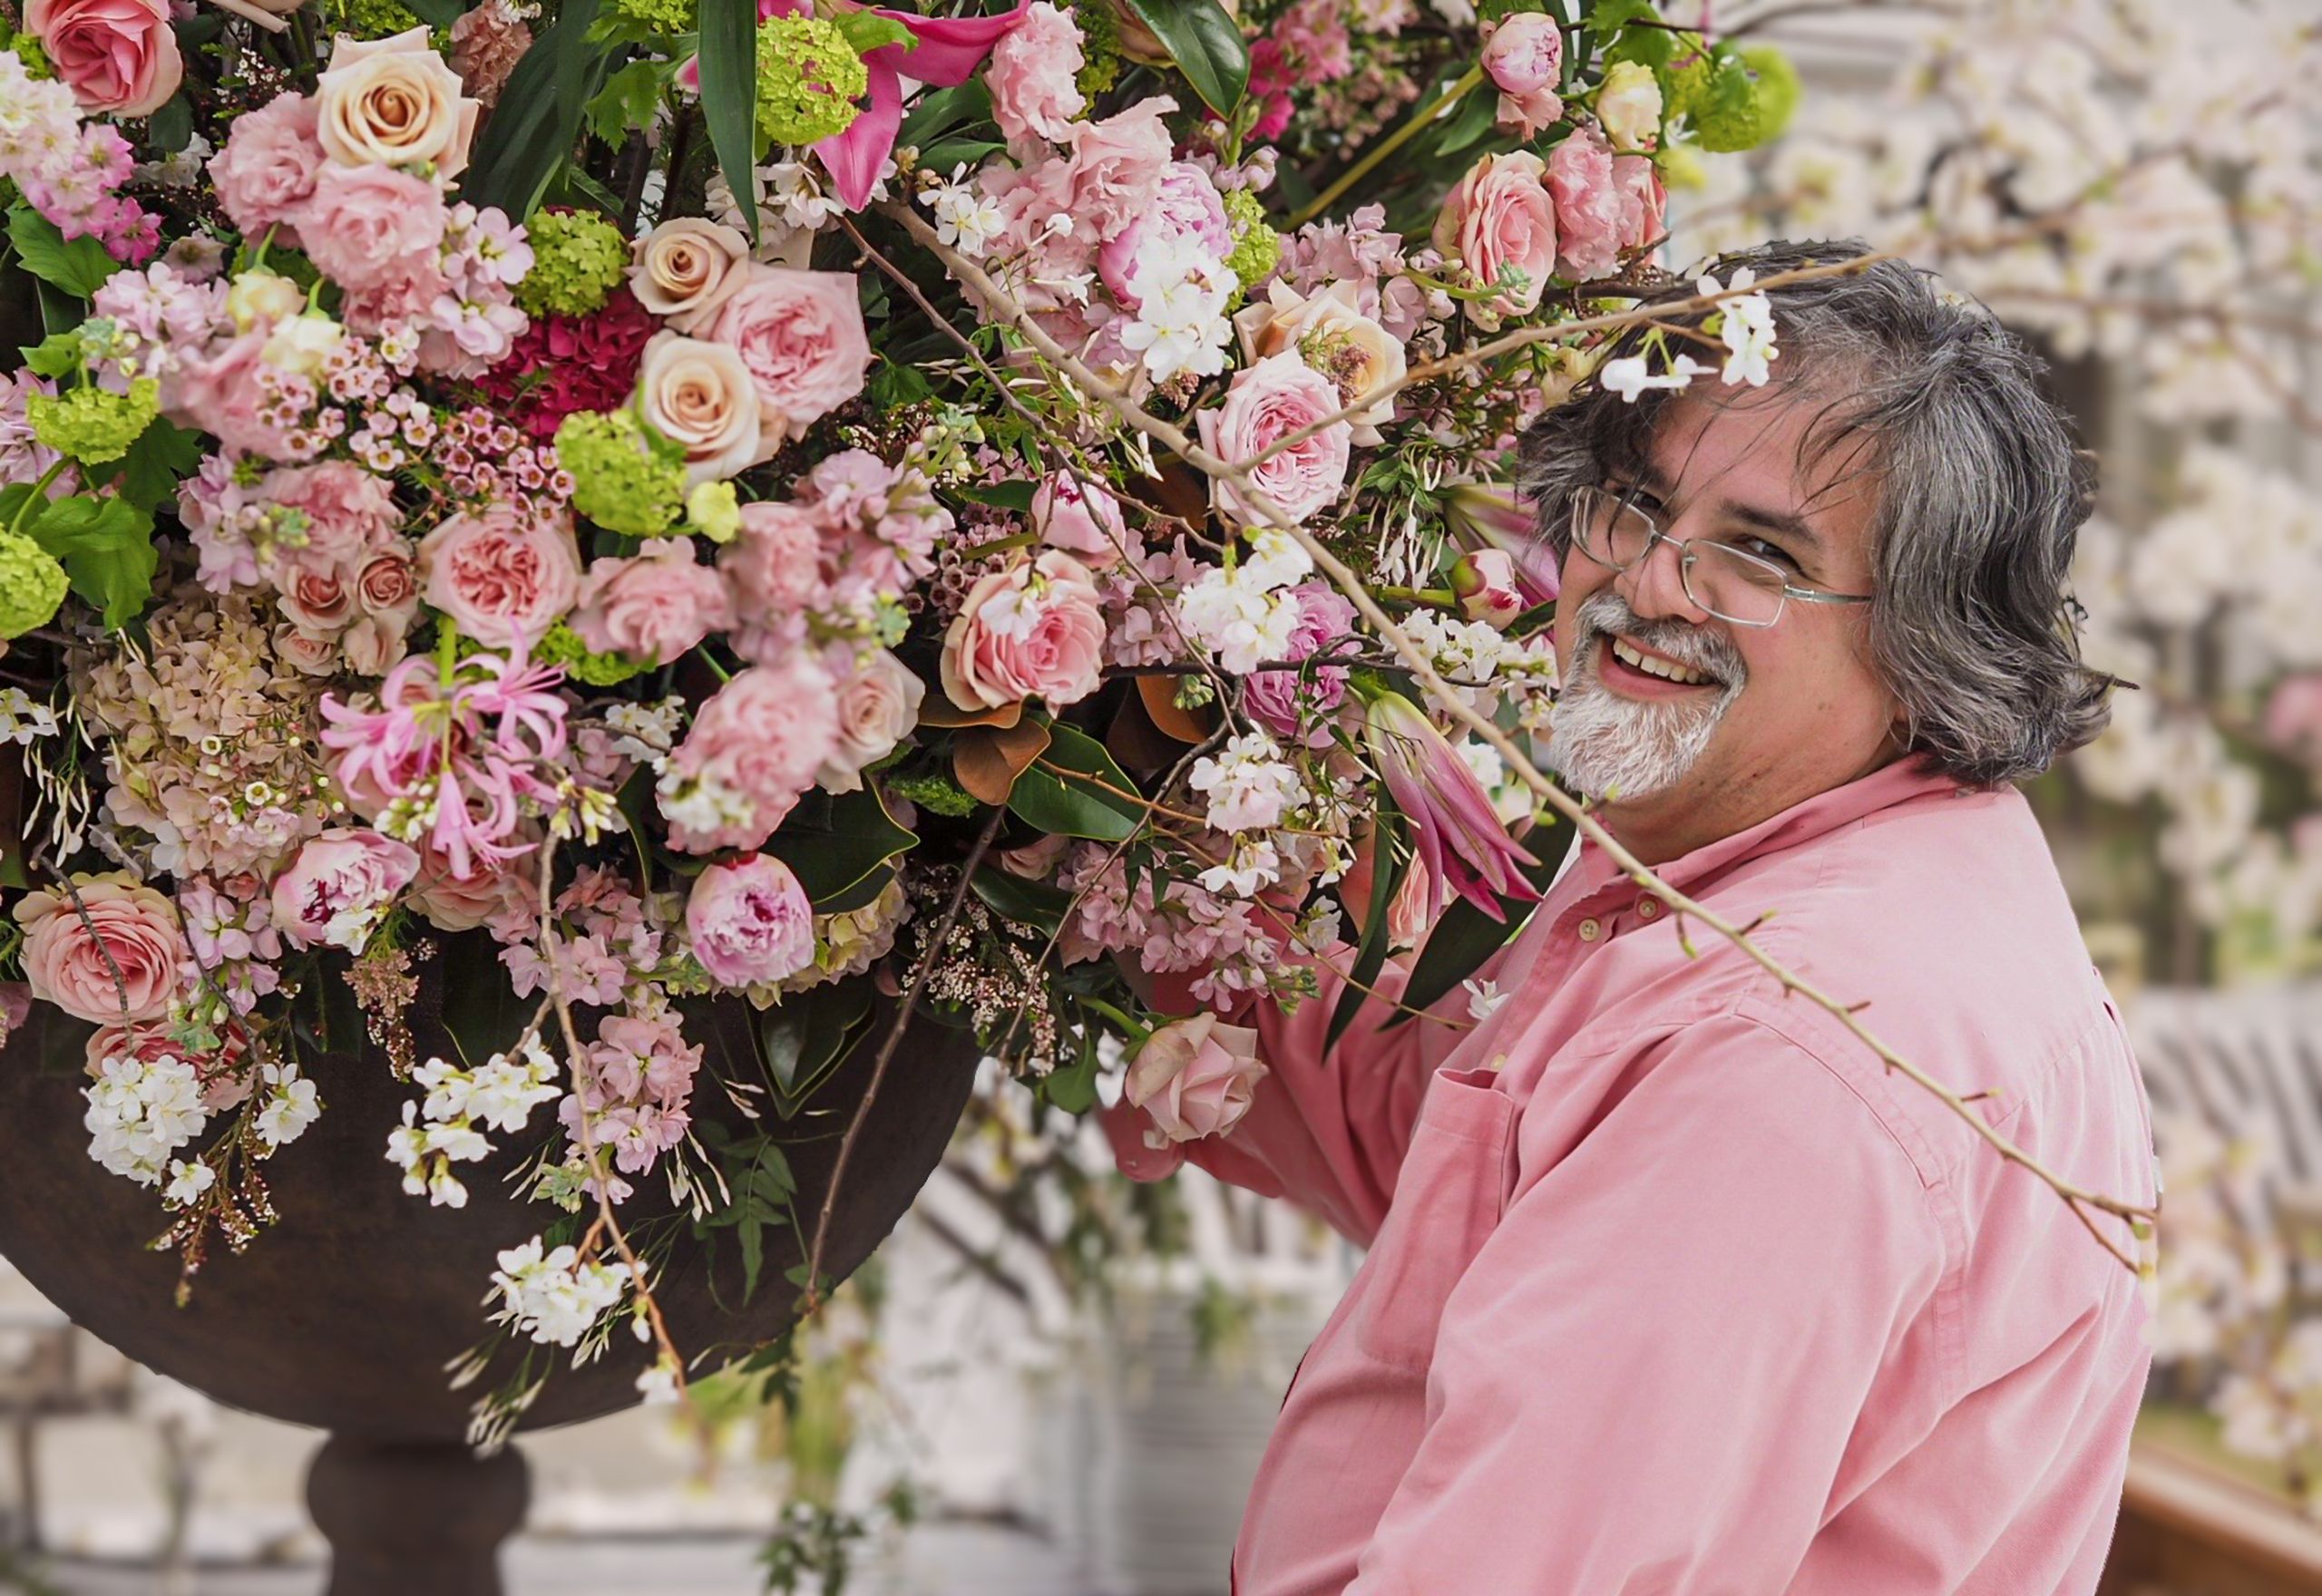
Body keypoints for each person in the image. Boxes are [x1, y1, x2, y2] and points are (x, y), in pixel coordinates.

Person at [1105, 239, 2158, 1594]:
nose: (1651, 584)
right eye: (1633, 505)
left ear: (1923, 645)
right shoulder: (1760, 869)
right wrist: (1106, 837)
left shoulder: (1785, 1056)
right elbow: (1440, 1153)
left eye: (1760, 555)